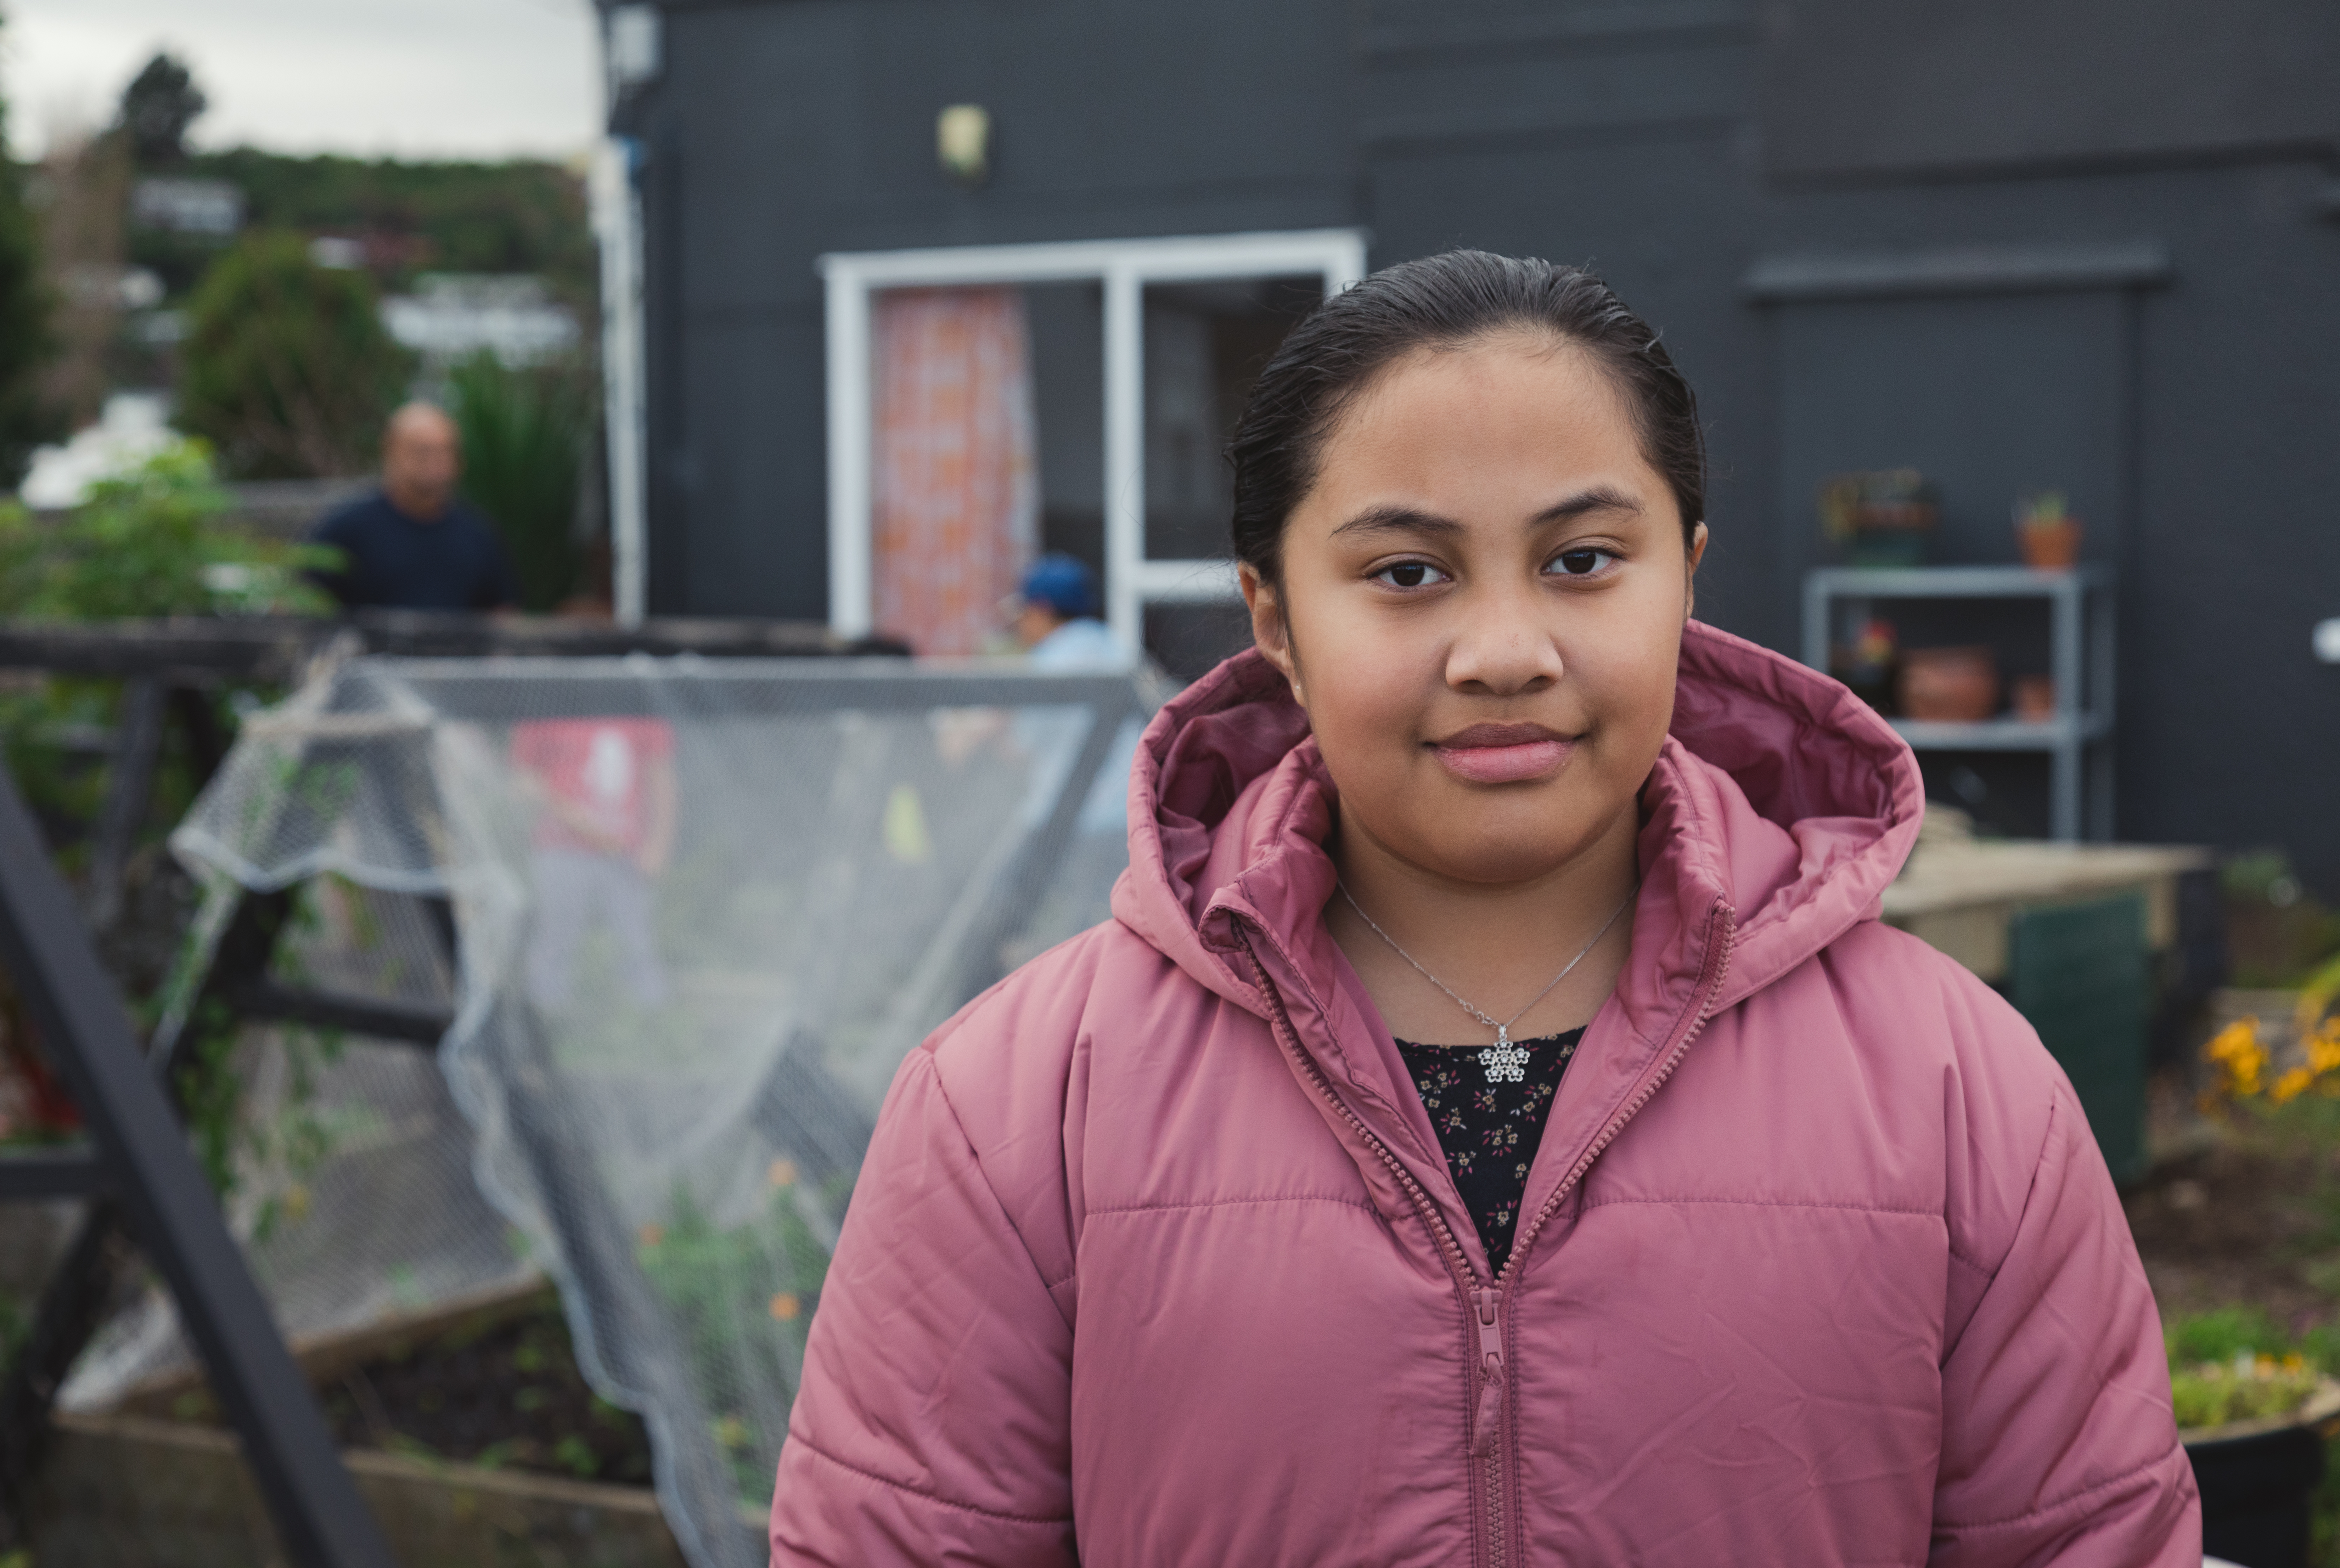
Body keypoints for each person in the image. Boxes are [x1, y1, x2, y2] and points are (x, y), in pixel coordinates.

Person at [767, 254, 2197, 1564]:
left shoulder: (1960, 1087)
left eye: (1582, 559)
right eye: (1406, 573)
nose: (1505, 650)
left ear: (1686, 575)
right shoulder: (1016, 1105)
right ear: (1274, 617)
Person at [512, 717, 677, 1013]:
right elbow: (524, 780)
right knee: (555, 943)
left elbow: (661, 775)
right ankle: (550, 1021)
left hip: (627, 855)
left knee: (637, 943)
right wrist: (580, 823)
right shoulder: (546, 704)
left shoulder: (637, 701)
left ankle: (652, 1023)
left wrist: (659, 843)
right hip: (561, 851)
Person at [307, 402, 517, 611]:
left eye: (447, 451)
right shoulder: (348, 529)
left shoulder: (478, 533)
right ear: (390, 450)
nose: (437, 462)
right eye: (423, 450)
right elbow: (300, 603)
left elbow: (502, 612)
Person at [1007, 551, 1121, 668]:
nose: (1021, 624)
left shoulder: (1048, 658)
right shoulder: (1112, 640)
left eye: (1026, 613)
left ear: (1043, 610)